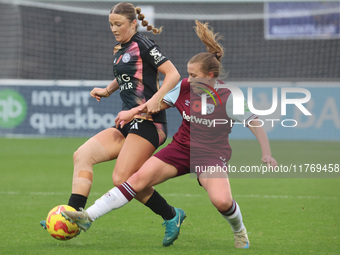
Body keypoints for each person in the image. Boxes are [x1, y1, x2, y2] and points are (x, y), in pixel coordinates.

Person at [62, 20, 278, 249]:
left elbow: (255, 123)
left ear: (211, 76)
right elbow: (155, 104)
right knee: (135, 180)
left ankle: (239, 231)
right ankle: (88, 217)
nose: (189, 79)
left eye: (195, 75)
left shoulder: (228, 96)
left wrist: (267, 153)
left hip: (211, 156)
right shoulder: (185, 86)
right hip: (181, 149)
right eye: (189, 74)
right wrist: (132, 112)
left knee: (222, 200)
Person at [40, 2, 184, 246]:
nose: (114, 29)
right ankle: (72, 214)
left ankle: (172, 215)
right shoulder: (121, 48)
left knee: (123, 179)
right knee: (82, 155)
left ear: (133, 23)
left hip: (149, 123)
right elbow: (127, 75)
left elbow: (174, 74)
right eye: (111, 25)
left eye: (118, 24)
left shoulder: (144, 44)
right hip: (127, 122)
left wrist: (154, 101)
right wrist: (107, 90)